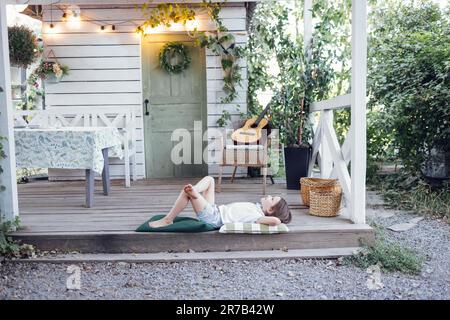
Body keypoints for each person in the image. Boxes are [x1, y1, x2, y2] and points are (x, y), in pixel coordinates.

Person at [149, 176, 292, 229]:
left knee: (187, 192)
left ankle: (168, 219)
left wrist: (279, 220)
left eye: (272, 199)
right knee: (210, 179)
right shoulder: (257, 208)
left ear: (271, 210)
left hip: (214, 218)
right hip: (215, 209)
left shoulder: (258, 217)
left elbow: (275, 221)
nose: (269, 196)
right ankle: (196, 190)